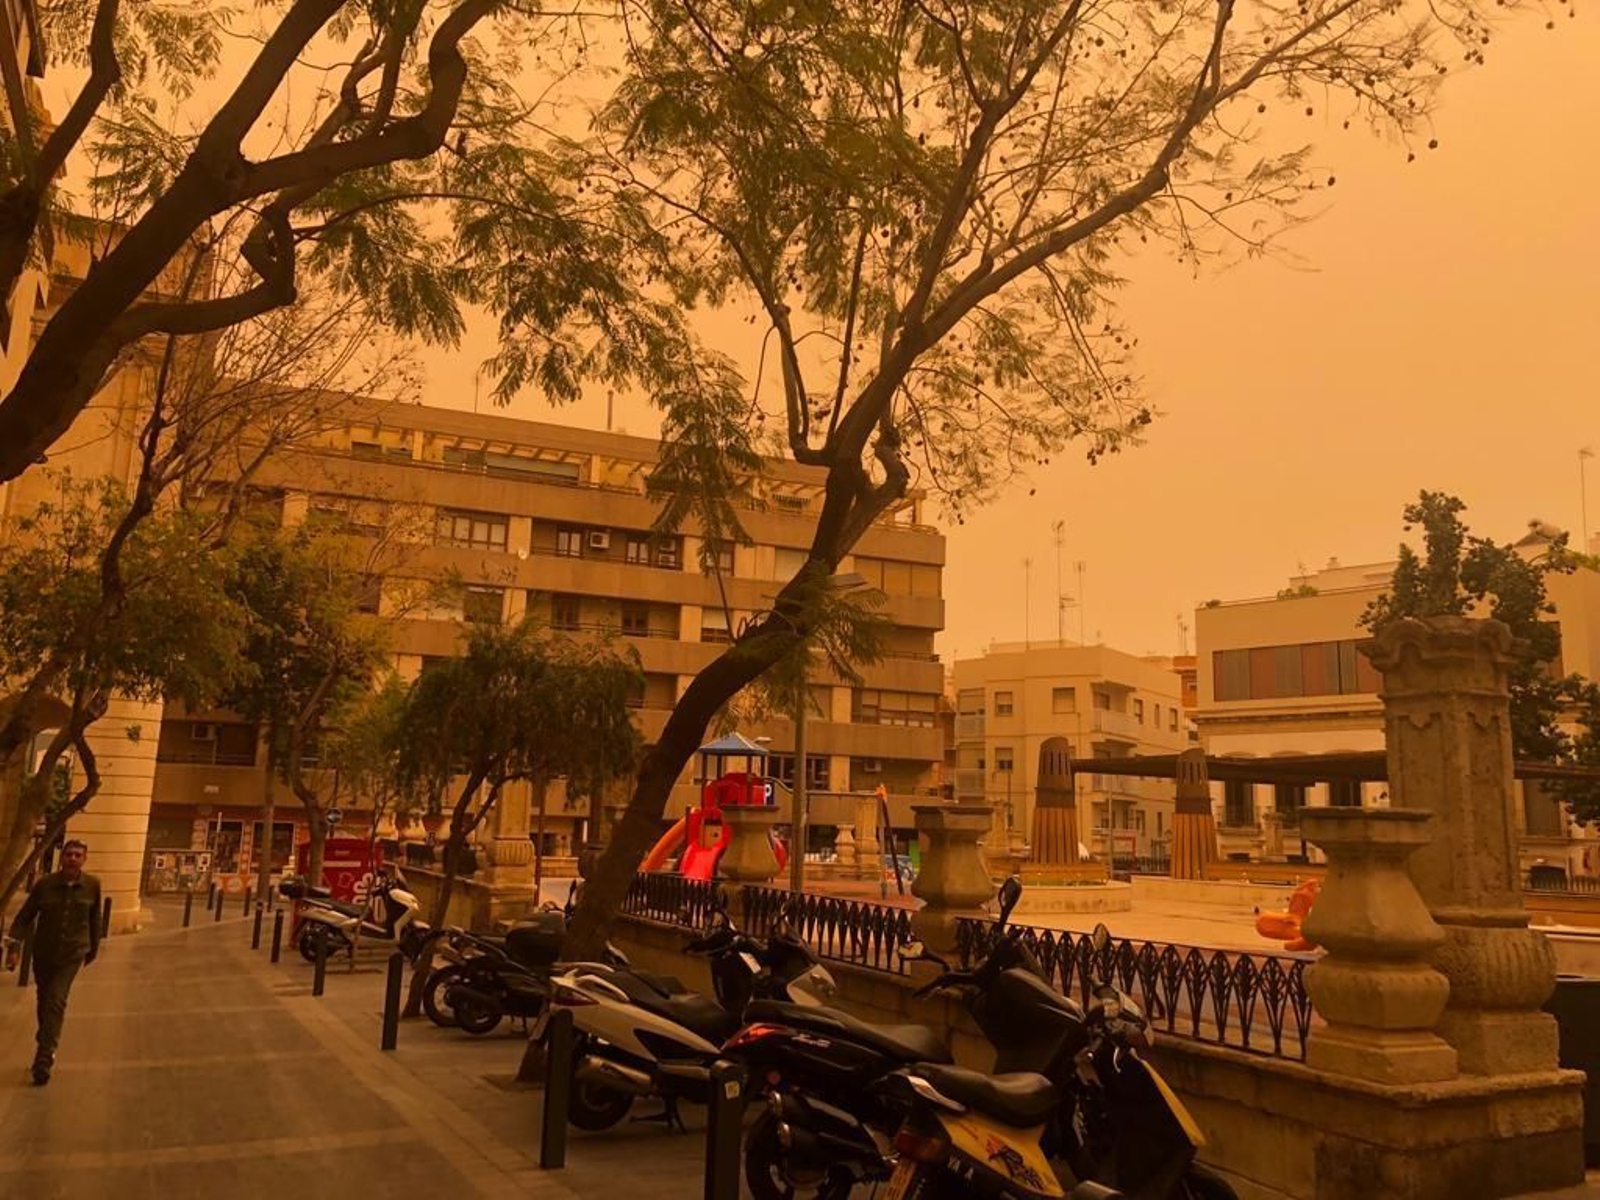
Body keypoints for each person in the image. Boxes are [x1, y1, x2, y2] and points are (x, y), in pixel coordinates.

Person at [5, 840, 102, 1085]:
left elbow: (95, 918)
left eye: (78, 855)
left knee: (56, 1001)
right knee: (44, 1001)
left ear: (84, 859)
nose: (72, 858)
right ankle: (46, 1038)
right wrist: (13, 949)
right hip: (44, 953)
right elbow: (24, 917)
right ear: (62, 858)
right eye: (68, 854)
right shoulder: (44, 885)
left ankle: (44, 1058)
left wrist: (93, 949)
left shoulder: (92, 886)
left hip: (72, 953)